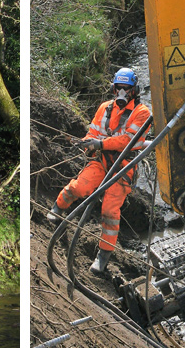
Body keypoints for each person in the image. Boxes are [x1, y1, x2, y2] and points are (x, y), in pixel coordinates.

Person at [46, 67, 151, 274]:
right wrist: (86, 143)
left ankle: (103, 257)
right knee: (79, 187)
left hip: (123, 167)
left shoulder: (142, 113)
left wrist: (100, 144)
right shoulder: (104, 108)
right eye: (119, 88)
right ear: (114, 88)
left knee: (110, 211)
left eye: (127, 89)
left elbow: (128, 141)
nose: (122, 92)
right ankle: (57, 209)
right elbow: (92, 132)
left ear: (134, 90)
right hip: (100, 161)